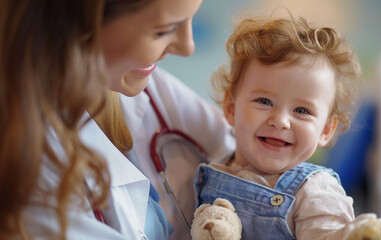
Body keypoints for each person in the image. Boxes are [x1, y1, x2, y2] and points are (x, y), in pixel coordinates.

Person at [0, 0, 234, 239]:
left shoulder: (138, 80)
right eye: (162, 30)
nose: (187, 47)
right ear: (74, 25)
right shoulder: (27, 178)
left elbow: (252, 165)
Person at [193, 14, 381, 239]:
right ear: (231, 108)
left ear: (325, 130)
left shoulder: (315, 191)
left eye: (302, 111)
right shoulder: (215, 165)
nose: (280, 120)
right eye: (264, 101)